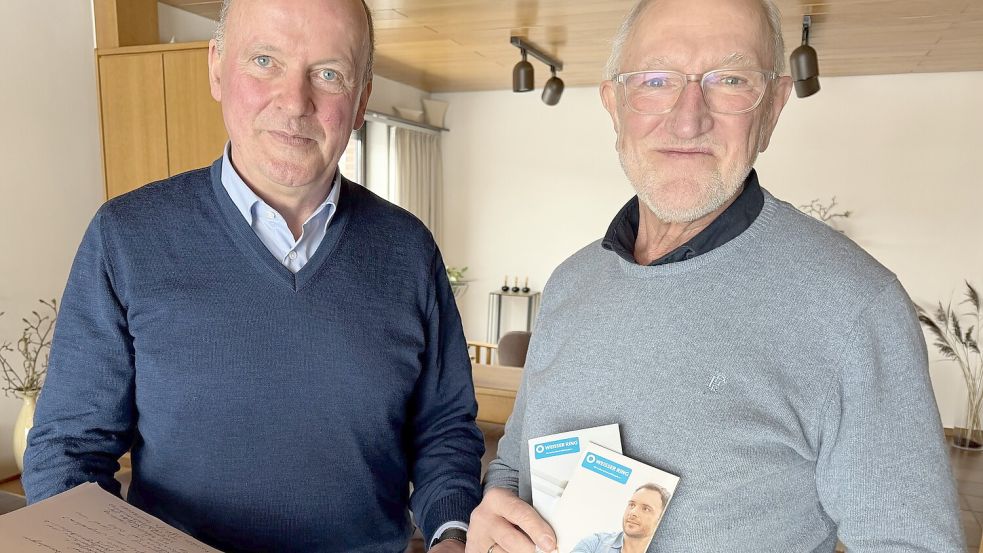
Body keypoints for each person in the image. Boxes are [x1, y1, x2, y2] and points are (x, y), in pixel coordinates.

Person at [468, 0, 964, 551]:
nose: (687, 118)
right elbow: (515, 461)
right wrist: (498, 501)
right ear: (613, 104)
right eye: (655, 80)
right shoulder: (571, 282)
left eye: (730, 79)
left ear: (773, 107)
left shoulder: (856, 306)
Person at [23, 0, 481, 551]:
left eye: (329, 74)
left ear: (361, 100)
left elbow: (444, 432)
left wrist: (452, 533)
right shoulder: (125, 238)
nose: (295, 102)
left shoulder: (409, 251)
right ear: (217, 68)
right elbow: (68, 449)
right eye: (265, 61)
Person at [571, 484, 669, 553]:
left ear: (662, 519)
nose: (633, 512)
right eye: (632, 505)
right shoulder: (595, 543)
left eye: (646, 509)